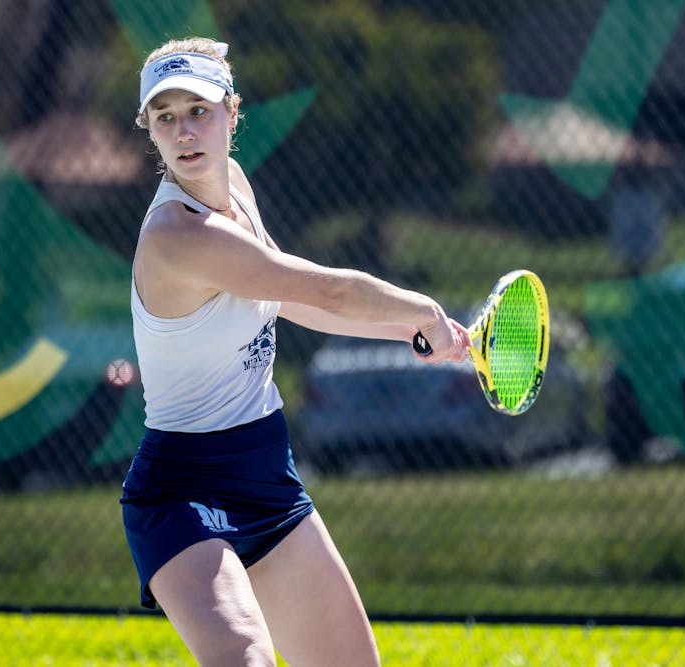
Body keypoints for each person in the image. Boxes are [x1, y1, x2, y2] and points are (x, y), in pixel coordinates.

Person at [121, 37, 470, 667]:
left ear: (232, 112)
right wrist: (422, 309)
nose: (184, 131)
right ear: (148, 127)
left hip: (265, 470)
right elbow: (325, 289)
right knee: (245, 658)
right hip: (180, 489)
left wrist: (406, 333)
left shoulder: (234, 186)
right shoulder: (177, 235)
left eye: (198, 110)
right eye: (165, 117)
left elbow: (283, 297)